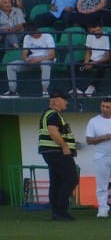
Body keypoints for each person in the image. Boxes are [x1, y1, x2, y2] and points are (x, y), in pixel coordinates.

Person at [38, 90, 78, 220]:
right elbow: (53, 132)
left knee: (57, 181)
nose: (67, 102)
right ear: (56, 101)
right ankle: (61, 210)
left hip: (51, 152)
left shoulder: (49, 114)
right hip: (57, 152)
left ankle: (56, 212)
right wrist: (65, 147)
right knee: (71, 179)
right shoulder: (53, 115)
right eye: (65, 99)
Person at [8, 27, 54, 96]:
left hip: (45, 60)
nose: (33, 35)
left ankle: (45, 91)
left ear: (38, 29)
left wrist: (38, 59)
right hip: (32, 61)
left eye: (34, 33)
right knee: (11, 65)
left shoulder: (48, 36)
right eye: (31, 34)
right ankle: (12, 91)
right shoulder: (27, 37)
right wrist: (26, 60)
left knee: (45, 63)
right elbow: (24, 54)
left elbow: (52, 56)